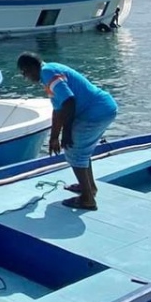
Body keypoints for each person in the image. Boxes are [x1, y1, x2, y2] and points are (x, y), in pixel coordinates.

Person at [16, 53, 118, 211]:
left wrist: (67, 133)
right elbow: (58, 110)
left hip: (96, 112)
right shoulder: (48, 73)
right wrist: (54, 137)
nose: (25, 77)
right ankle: (89, 187)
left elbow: (69, 101)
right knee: (81, 151)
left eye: (24, 73)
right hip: (99, 109)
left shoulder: (48, 73)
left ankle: (87, 199)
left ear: (29, 68)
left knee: (75, 151)